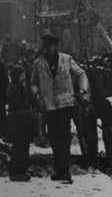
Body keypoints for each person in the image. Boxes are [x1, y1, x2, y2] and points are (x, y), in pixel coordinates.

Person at [30, 31, 90, 184]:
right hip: (49, 106)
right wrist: (37, 96)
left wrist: (82, 91)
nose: (48, 48)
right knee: (55, 139)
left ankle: (64, 170)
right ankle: (60, 170)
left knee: (63, 137)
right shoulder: (39, 64)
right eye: (46, 45)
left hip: (66, 104)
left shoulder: (66, 59)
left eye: (50, 45)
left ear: (56, 46)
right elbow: (33, 82)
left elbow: (81, 74)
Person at [6, 64, 35, 182]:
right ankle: (17, 171)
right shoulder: (13, 88)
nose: (24, 77)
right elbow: (18, 105)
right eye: (21, 75)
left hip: (22, 121)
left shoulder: (19, 87)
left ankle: (22, 169)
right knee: (19, 147)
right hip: (18, 122)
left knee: (23, 146)